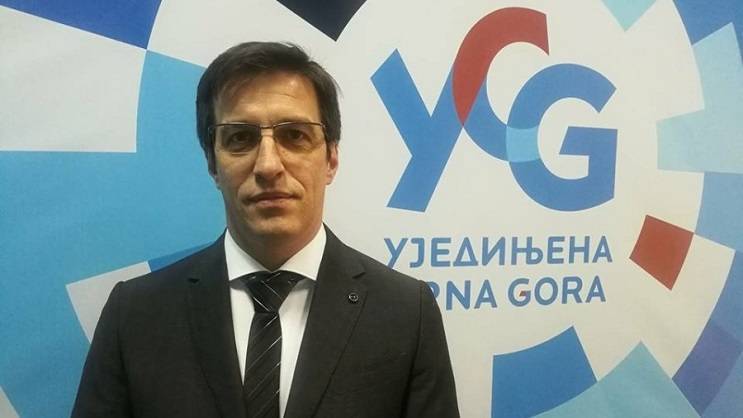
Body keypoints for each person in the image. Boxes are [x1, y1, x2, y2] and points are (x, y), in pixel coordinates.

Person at [72, 42, 459, 418]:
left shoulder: (406, 313)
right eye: (240, 138)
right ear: (212, 164)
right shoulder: (135, 315)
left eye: (295, 135)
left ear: (331, 158)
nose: (269, 165)